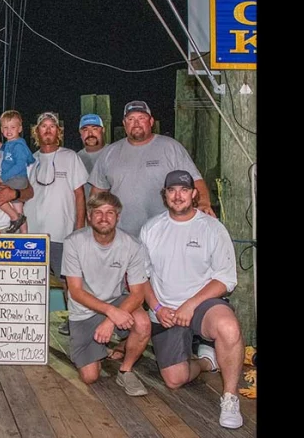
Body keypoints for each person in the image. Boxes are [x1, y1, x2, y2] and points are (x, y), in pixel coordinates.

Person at [140, 170, 244, 429]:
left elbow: (225, 278)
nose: (178, 195)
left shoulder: (212, 228)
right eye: (172, 190)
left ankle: (230, 397)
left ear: (194, 193)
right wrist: (157, 307)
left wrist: (191, 304)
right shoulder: (151, 228)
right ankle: (206, 361)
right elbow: (140, 277)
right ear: (164, 195)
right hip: (166, 310)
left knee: (228, 327)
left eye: (184, 190)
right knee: (175, 379)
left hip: (201, 306)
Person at [60, 191, 151, 396]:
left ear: (118, 217)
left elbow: (138, 294)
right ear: (89, 216)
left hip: (116, 300)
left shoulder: (133, 245)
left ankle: (126, 370)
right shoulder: (74, 242)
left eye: (110, 213)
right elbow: (75, 291)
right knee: (90, 377)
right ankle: (103, 349)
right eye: (98, 213)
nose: (104, 218)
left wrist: (110, 319)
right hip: (84, 309)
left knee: (143, 323)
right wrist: (111, 312)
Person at [89, 100, 215, 237]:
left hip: (165, 234)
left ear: (151, 121)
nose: (136, 123)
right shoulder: (109, 153)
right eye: (131, 119)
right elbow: (97, 195)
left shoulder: (171, 147)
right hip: (121, 235)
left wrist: (203, 203)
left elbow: (195, 181)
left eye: (141, 118)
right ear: (124, 124)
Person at [19, 111, 88, 335]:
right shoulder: (30, 159)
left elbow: (80, 195)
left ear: (59, 131)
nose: (48, 130)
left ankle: (75, 321)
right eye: (43, 127)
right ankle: (28, 321)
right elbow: (21, 193)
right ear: (36, 132)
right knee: (31, 281)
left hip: (62, 234)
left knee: (70, 281)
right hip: (33, 235)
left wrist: (79, 228)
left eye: (52, 126)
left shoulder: (71, 157)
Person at [0, 110, 34, 233]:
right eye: (5, 127)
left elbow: (19, 165)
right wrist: (1, 146)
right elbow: (8, 149)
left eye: (12, 127)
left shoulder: (19, 146)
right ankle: (24, 234)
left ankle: (15, 218)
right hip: (17, 179)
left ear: (20, 128)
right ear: (1, 129)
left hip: (16, 179)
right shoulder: (11, 143)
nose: (9, 131)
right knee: (19, 209)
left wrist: (3, 177)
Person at [76, 113, 106, 201]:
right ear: (80, 133)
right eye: (85, 130)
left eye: (95, 128)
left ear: (103, 130)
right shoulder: (75, 159)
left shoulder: (113, 154)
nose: (90, 133)